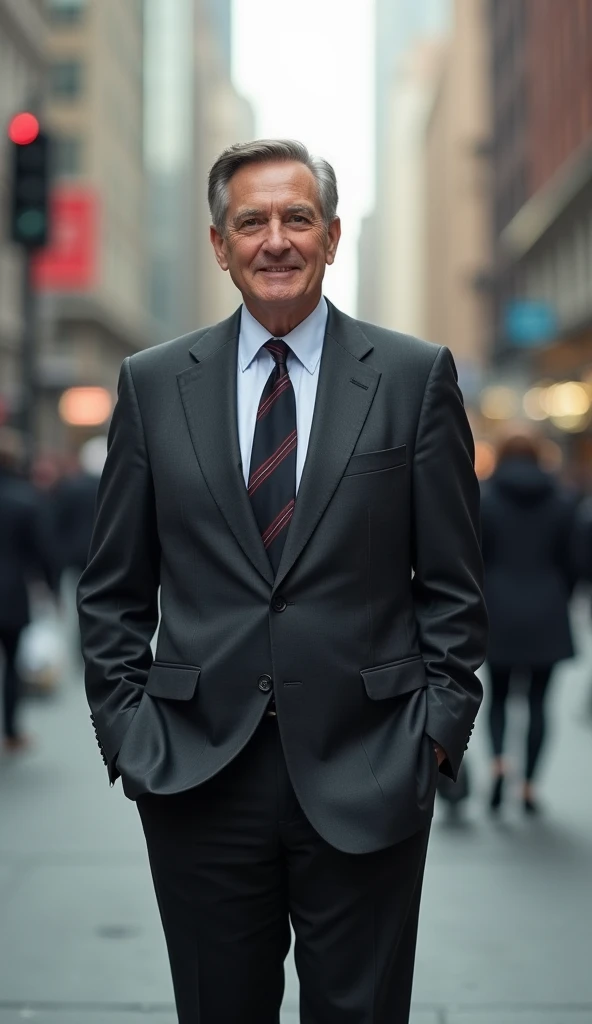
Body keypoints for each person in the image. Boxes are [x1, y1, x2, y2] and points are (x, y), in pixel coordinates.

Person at [77, 139, 487, 1024]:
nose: (276, 240)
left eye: (297, 218)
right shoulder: (152, 386)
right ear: (219, 245)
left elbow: (454, 585)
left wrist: (437, 736)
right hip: (196, 775)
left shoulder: (415, 379)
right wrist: (128, 737)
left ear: (333, 237)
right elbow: (113, 588)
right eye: (250, 222)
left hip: (372, 764)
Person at [480, 431, 577, 815]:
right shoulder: (562, 502)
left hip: (498, 608)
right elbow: (573, 563)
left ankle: (500, 763)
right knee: (539, 702)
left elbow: (475, 560)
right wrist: (558, 597)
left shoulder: (485, 500)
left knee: (498, 697)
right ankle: (530, 786)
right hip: (547, 608)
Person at [0, 430, 57, 753]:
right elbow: (42, 551)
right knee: (12, 663)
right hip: (10, 594)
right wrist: (51, 589)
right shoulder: (25, 498)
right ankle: (10, 731)